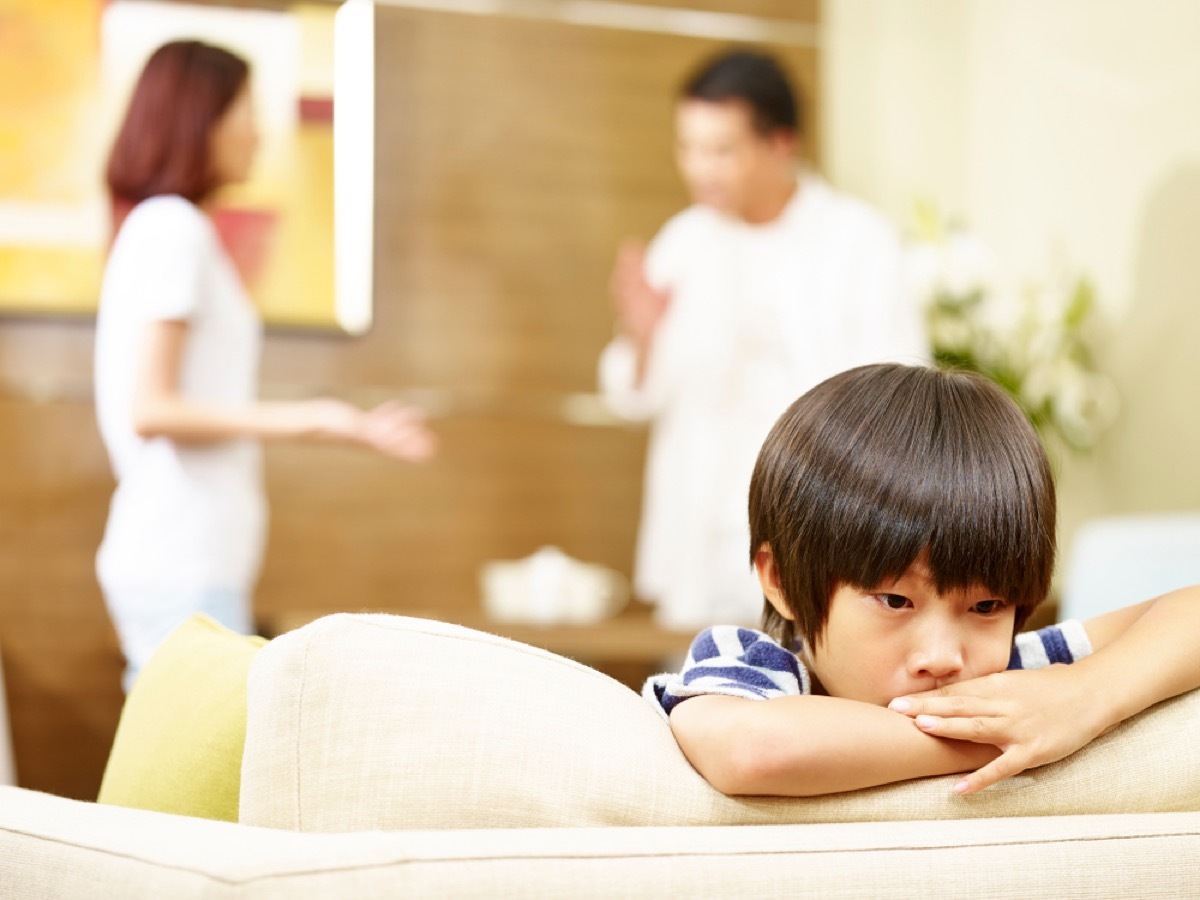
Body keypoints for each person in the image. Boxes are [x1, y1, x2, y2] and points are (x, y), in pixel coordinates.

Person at [645, 363, 1200, 797]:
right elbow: (753, 751)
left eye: (986, 607)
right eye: (894, 599)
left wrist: (1084, 698)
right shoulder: (750, 664)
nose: (943, 657)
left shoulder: (1016, 678)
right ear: (783, 581)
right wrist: (1003, 738)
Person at [94, 40, 435, 692]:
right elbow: (151, 406)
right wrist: (318, 419)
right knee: (195, 767)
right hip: (178, 555)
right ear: (200, 118)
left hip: (183, 554)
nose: (258, 130)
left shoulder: (165, 228)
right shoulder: (173, 228)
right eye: (244, 109)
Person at [599, 48, 926, 630]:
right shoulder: (685, 240)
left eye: (721, 150)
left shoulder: (859, 241)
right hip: (699, 531)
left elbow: (895, 399)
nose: (700, 169)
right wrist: (643, 336)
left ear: (781, 143)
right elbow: (635, 398)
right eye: (688, 147)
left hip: (814, 529)